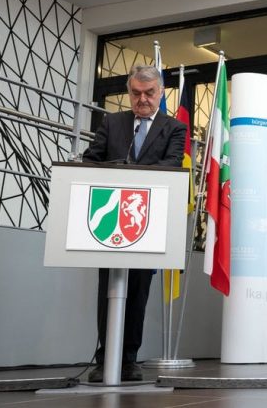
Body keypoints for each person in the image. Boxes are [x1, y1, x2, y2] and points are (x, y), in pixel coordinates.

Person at [83, 64, 186, 382]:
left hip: (147, 220)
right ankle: (104, 360)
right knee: (108, 290)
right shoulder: (113, 123)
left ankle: (128, 359)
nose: (142, 99)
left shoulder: (174, 128)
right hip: (110, 219)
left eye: (149, 93)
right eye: (136, 93)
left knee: (139, 291)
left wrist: (134, 176)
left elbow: (172, 165)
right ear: (129, 92)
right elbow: (91, 159)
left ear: (161, 92)